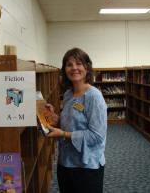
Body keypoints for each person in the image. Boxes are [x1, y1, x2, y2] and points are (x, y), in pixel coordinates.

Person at [46, 47, 107, 193]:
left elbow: (97, 136)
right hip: (66, 162)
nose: (74, 68)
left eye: (78, 63)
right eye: (69, 64)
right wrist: (56, 119)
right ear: (64, 70)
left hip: (86, 166)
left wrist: (63, 135)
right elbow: (71, 123)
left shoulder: (94, 97)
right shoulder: (68, 94)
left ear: (87, 67)